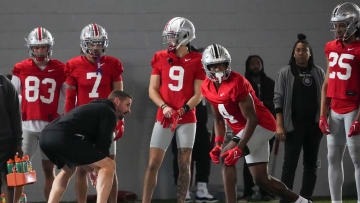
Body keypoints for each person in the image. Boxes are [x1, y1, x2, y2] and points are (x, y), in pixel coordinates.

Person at [201, 43, 312, 203]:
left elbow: (252, 119)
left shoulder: (236, 82)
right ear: (206, 67)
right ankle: (303, 202)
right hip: (247, 129)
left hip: (261, 125)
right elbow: (219, 118)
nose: (219, 69)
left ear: (228, 63)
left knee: (227, 158)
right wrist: (217, 143)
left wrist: (239, 148)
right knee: (262, 180)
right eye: (214, 65)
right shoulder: (207, 87)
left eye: (222, 64)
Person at [142, 17, 204, 203]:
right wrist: (165, 106)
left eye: (173, 37)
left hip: (186, 118)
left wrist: (183, 109)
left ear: (185, 37)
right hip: (165, 115)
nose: (169, 40)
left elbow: (199, 94)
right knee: (153, 163)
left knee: (184, 163)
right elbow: (152, 89)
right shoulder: (160, 57)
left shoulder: (198, 60)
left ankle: (181, 201)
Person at [64, 23, 124, 203]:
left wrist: (120, 121)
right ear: (84, 44)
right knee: (81, 169)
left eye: (99, 43)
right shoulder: (73, 65)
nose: (96, 48)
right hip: (84, 123)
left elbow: (119, 97)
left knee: (109, 167)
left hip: (106, 122)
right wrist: (69, 124)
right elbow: (69, 100)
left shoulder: (113, 64)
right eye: (92, 43)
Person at [40, 90, 132, 203]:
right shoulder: (109, 112)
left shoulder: (95, 107)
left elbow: (88, 147)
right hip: (62, 137)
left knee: (68, 169)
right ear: (117, 101)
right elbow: (103, 147)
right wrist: (96, 171)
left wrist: (93, 170)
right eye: (127, 105)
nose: (129, 110)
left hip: (45, 137)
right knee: (109, 164)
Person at [11, 27, 65, 201]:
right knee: (20, 171)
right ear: (31, 48)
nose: (40, 50)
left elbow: (71, 97)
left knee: (49, 171)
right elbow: (12, 97)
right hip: (26, 127)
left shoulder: (59, 68)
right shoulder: (21, 68)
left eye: (43, 47)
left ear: (49, 47)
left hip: (49, 128)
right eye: (37, 47)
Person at [274, 34, 325, 203]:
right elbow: (278, 100)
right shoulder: (285, 72)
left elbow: (325, 99)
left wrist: (324, 120)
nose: (301, 53)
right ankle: (286, 200)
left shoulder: (318, 72)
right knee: (289, 166)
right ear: (293, 53)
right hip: (293, 127)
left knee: (311, 165)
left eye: (305, 50)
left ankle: (306, 199)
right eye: (298, 50)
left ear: (310, 54)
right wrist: (279, 125)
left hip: (314, 127)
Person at [319, 2, 360, 203]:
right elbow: (327, 82)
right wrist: (322, 113)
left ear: (354, 24)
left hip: (353, 108)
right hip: (335, 109)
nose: (338, 29)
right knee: (332, 159)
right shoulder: (330, 47)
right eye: (336, 25)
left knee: (357, 160)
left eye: (342, 25)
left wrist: (359, 118)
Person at [242, 55, 276, 201]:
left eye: (258, 63)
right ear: (248, 66)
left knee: (264, 160)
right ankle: (248, 192)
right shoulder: (243, 83)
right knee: (247, 161)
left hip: (267, 127)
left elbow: (275, 104)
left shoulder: (270, 83)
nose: (255, 66)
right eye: (252, 63)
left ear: (262, 65)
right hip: (249, 128)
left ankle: (265, 192)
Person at [171, 99, 218, 203]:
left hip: (201, 125)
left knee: (204, 154)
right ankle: (184, 191)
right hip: (182, 121)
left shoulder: (204, 84)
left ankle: (202, 189)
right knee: (182, 156)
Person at [0, 74, 23, 203]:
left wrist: (18, 143)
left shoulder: (5, 84)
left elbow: (15, 115)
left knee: (8, 180)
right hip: (7, 140)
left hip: (5, 141)